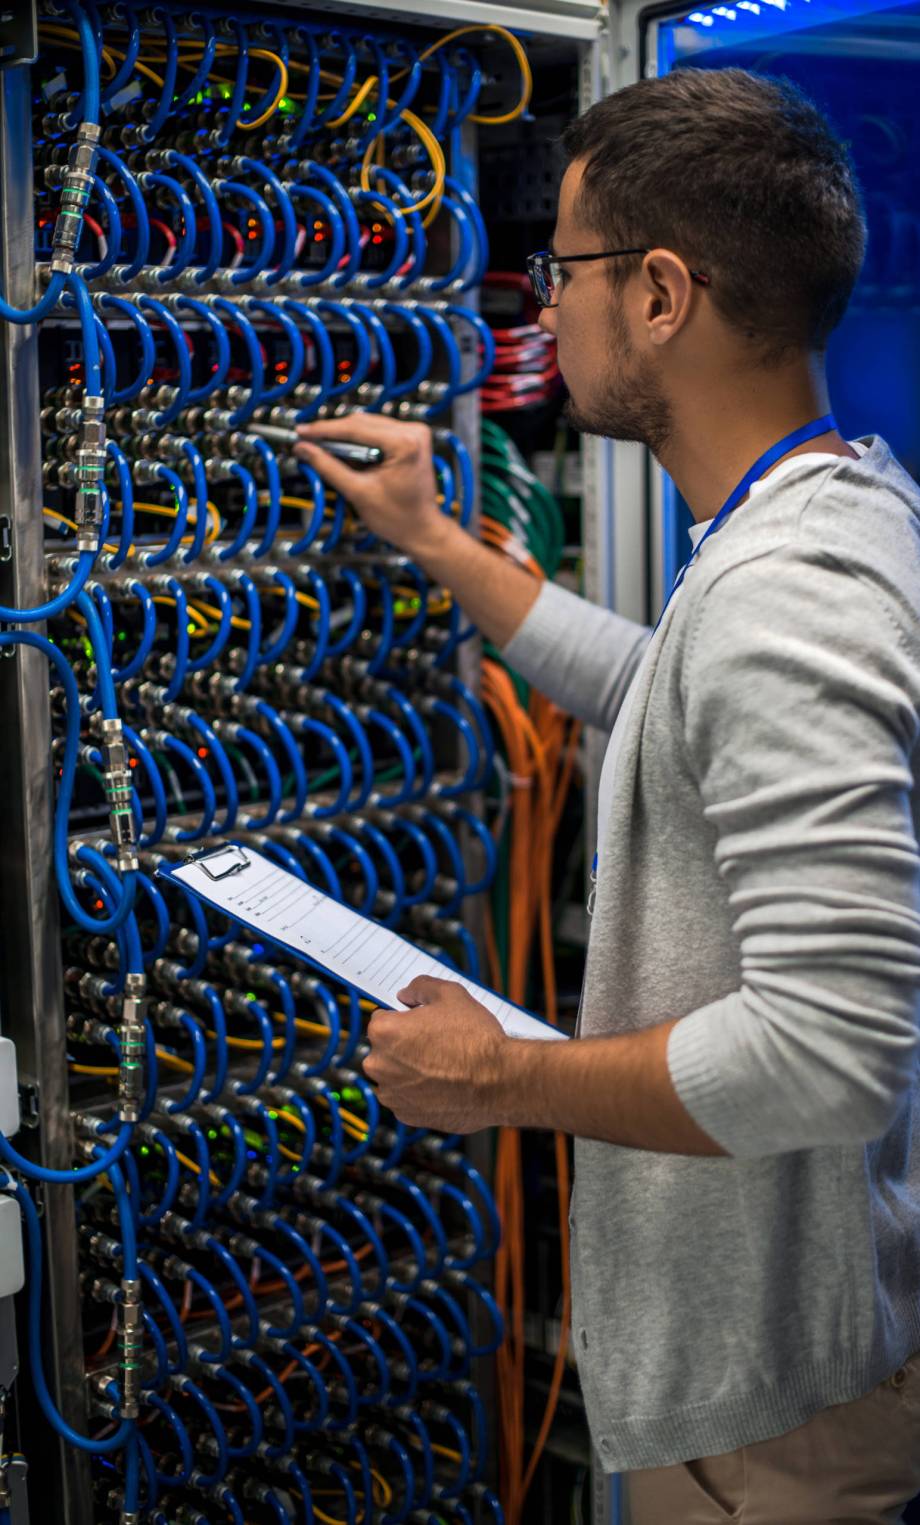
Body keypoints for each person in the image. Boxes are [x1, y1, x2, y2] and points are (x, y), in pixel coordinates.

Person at [296, 67, 920, 1525]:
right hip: (803, 1365)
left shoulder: (785, 595)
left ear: (658, 293)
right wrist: (441, 540)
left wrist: (504, 1077)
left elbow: (832, 1050)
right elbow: (676, 691)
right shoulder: (837, 511)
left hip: (774, 1423)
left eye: (555, 272)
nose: (534, 311)